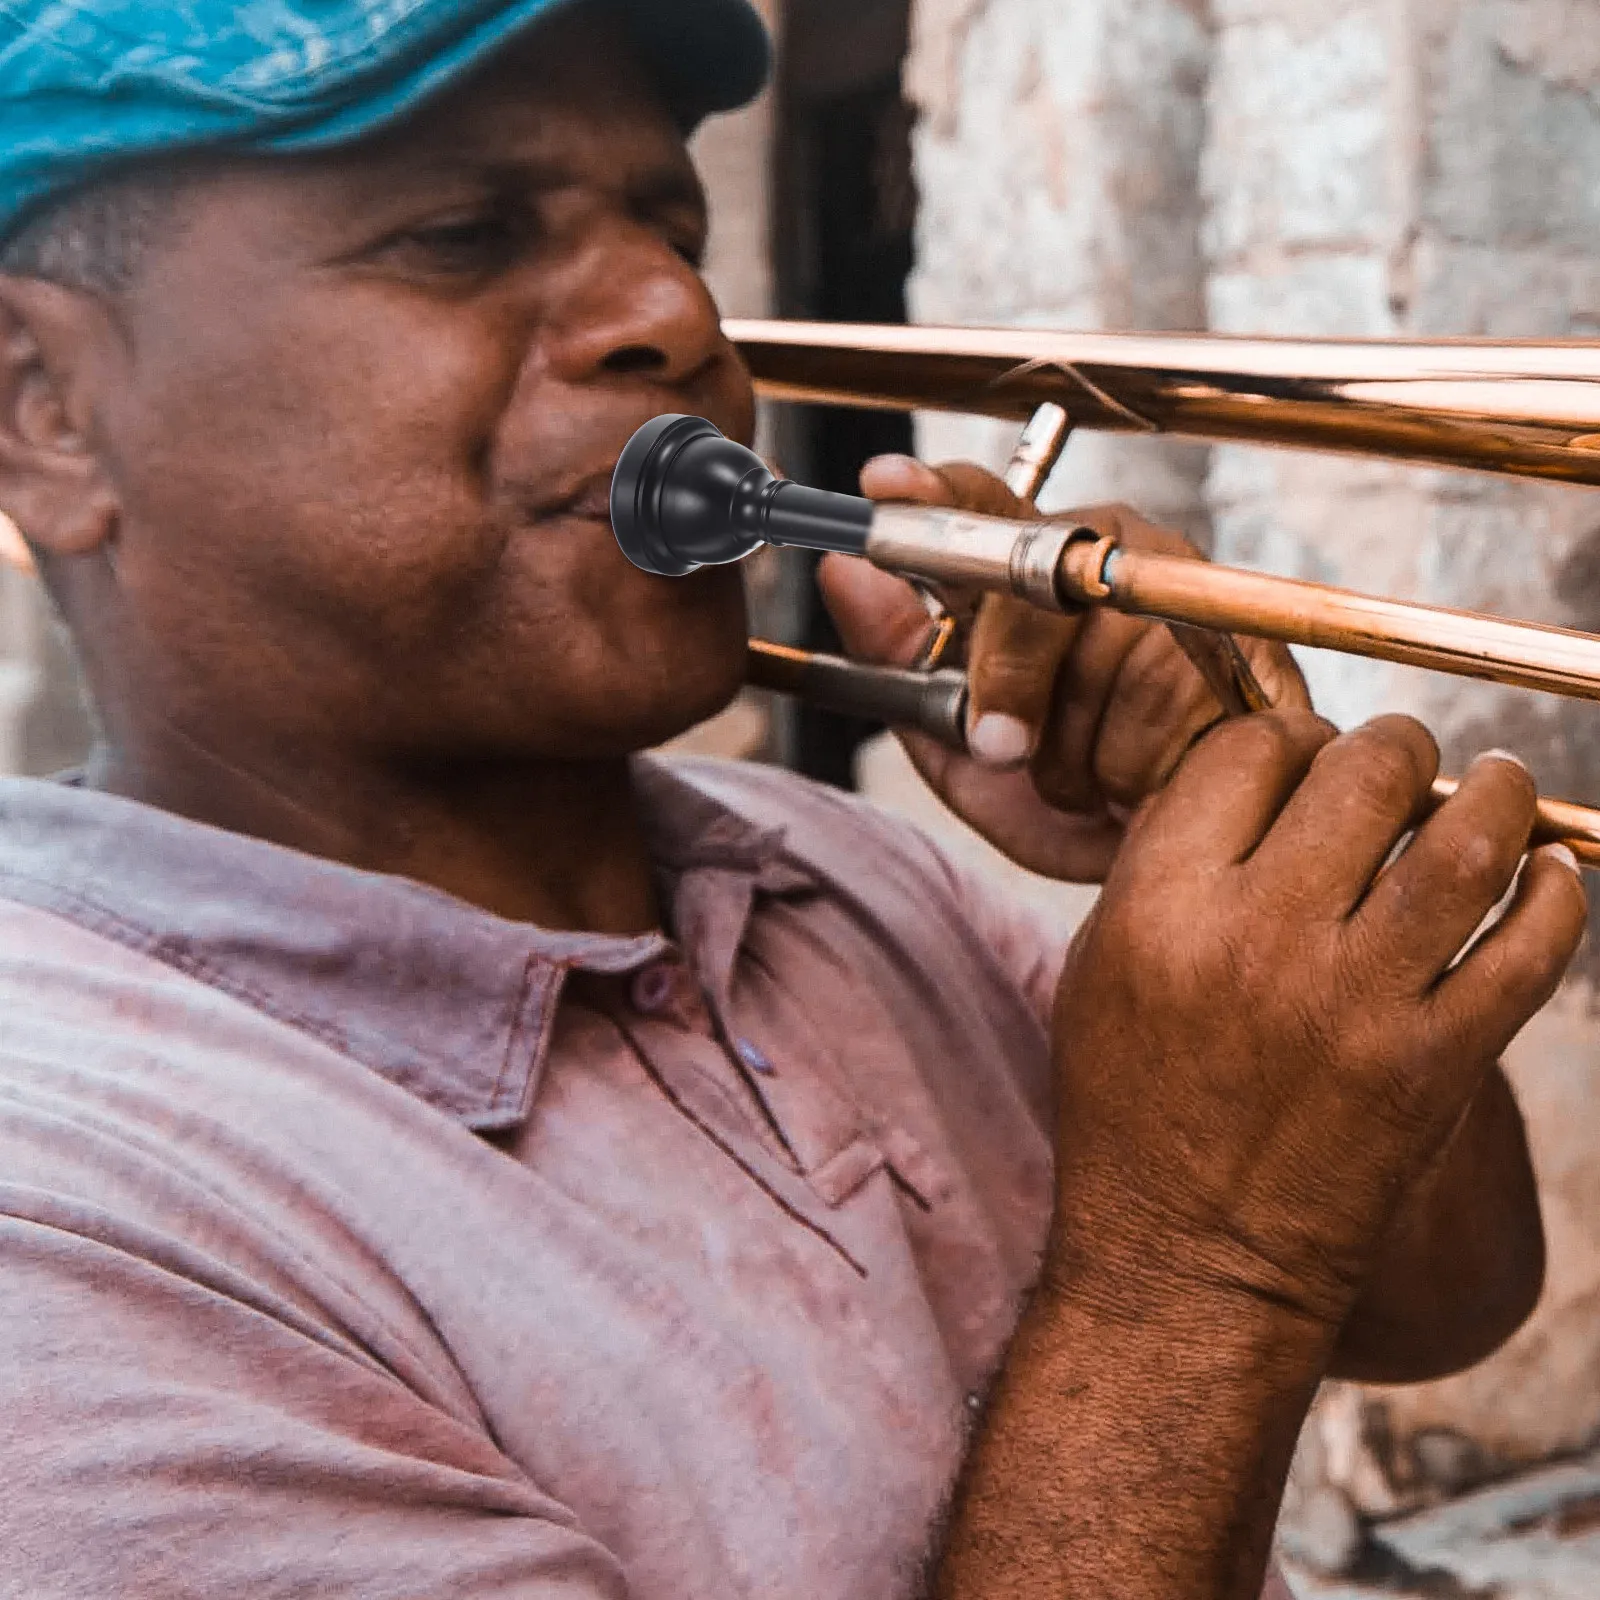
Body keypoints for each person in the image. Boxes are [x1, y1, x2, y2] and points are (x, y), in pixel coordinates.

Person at [0, 3, 1583, 1597]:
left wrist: (1218, 816)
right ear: (42, 409)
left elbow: (1441, 1304)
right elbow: (1240, 1279)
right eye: (463, 235)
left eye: (672, 224)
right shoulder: (60, 1228)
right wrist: (1193, 1273)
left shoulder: (843, 872)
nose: (678, 310)